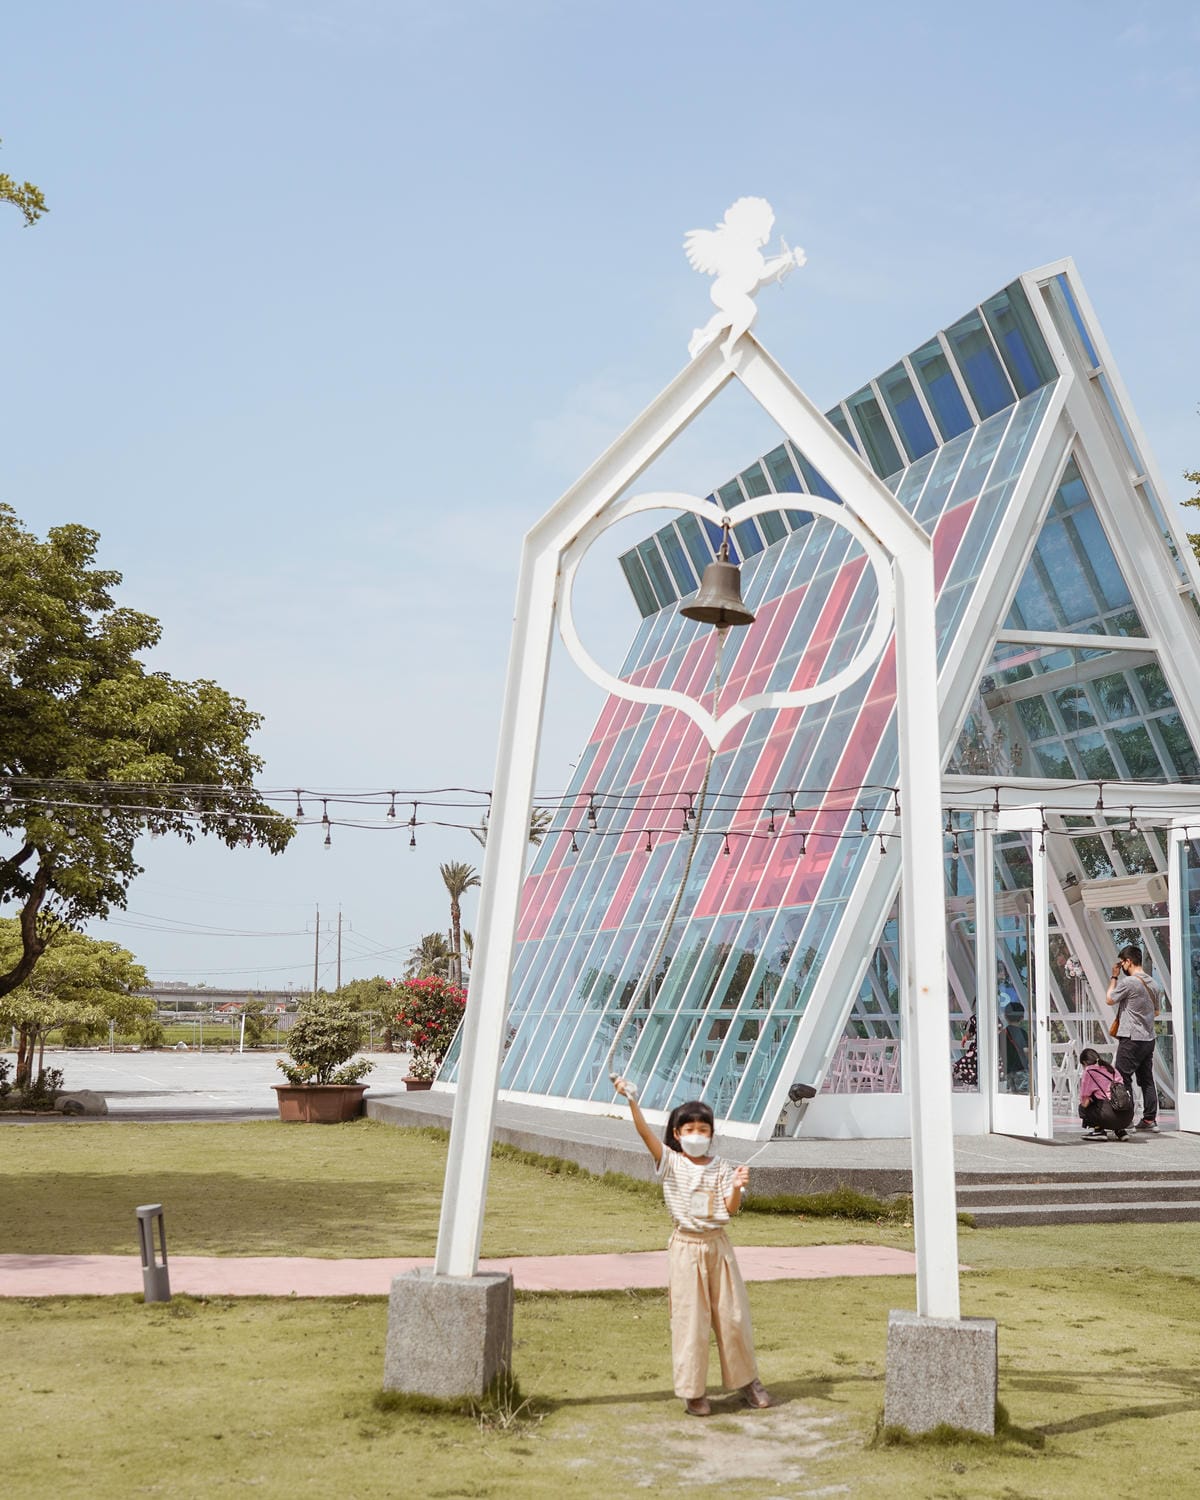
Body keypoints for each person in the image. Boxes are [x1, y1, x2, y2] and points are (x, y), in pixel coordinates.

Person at [612, 1075, 771, 1417]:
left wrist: (738, 1187)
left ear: (711, 1134)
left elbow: (729, 1209)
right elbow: (644, 1134)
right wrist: (632, 1102)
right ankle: (693, 1391)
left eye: (703, 1129)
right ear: (677, 1134)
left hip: (718, 1247)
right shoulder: (670, 1162)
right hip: (685, 1247)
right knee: (690, 1320)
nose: (696, 1135)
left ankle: (748, 1381)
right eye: (690, 1129)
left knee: (733, 1316)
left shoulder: (722, 1167)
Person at [1106, 944, 1165, 1132]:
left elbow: (1109, 999)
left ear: (1128, 961)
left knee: (1122, 1077)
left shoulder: (1129, 982)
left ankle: (1126, 1118)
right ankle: (1149, 1119)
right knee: (1146, 1079)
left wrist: (1114, 977)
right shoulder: (1153, 984)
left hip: (1131, 1037)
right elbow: (1156, 1012)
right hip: (1148, 1038)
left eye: (1122, 963)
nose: (1121, 966)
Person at [1077, 1046, 1133, 1140]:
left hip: (1109, 1115)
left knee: (1083, 1108)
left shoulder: (1089, 1071)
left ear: (1085, 1063)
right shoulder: (1111, 1069)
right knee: (1114, 1101)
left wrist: (1089, 1099)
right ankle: (1120, 1131)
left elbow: (1085, 1102)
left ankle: (1098, 1130)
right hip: (1127, 1117)